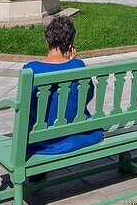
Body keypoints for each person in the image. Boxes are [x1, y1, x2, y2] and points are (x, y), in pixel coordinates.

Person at [22, 15, 104, 155]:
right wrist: (72, 61)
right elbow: (87, 95)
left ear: (46, 39)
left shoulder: (31, 69)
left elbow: (27, 105)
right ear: (70, 44)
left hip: (40, 140)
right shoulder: (78, 66)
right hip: (73, 135)